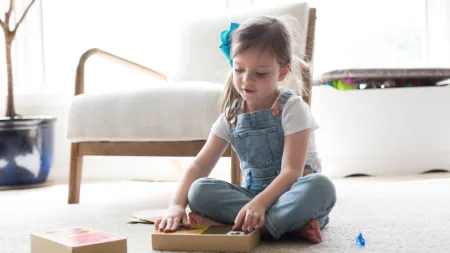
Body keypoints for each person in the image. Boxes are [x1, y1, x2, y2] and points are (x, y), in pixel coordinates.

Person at [154, 15, 336, 244]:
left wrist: (260, 205)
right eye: (239, 69)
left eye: (260, 73)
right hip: (251, 199)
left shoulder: (293, 108)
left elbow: (292, 172)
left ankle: (256, 226)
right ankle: (283, 227)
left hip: (291, 195)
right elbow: (200, 165)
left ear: (282, 73)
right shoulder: (231, 116)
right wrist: (176, 205)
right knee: (199, 191)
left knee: (321, 187)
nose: (246, 80)